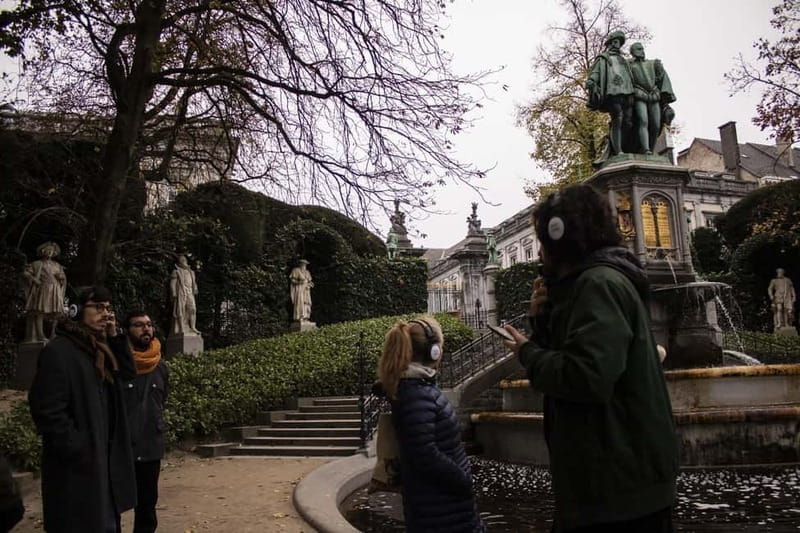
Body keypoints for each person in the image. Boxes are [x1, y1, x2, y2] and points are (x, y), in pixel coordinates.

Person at [503, 184, 679, 533]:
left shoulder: (598, 284)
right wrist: (543, 318)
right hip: (609, 481)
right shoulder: (595, 282)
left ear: (560, 233)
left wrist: (527, 352)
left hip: (617, 486)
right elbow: (580, 353)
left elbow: (587, 376)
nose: (540, 252)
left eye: (542, 239)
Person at [29, 286, 137, 532]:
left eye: (108, 308)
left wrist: (115, 337)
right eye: (97, 308)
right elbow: (47, 410)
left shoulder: (102, 349)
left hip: (105, 468)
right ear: (76, 310)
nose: (106, 314)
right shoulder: (59, 351)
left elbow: (129, 373)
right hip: (78, 472)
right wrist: (79, 447)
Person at [376, 317, 484, 533]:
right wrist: (462, 481)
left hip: (442, 507)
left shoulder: (416, 389)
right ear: (434, 351)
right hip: (441, 509)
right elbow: (424, 453)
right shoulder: (415, 394)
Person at [123, 311, 169, 533]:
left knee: (147, 506)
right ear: (127, 330)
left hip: (150, 445)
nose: (146, 329)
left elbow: (162, 401)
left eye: (149, 325)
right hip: (122, 446)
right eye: (139, 325)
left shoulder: (161, 367)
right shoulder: (117, 363)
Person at [586, 30, 634, 156]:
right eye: (615, 42)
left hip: (628, 92)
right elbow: (596, 72)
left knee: (628, 121)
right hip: (613, 93)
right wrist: (592, 80)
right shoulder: (603, 58)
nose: (617, 45)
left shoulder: (624, 60)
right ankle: (618, 150)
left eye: (619, 42)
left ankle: (625, 146)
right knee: (617, 118)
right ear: (610, 43)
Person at [628, 42, 676, 154]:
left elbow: (660, 78)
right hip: (639, 95)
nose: (642, 51)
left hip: (654, 95)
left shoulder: (652, 63)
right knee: (643, 120)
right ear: (633, 52)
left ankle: (651, 148)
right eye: (639, 49)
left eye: (642, 48)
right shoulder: (629, 65)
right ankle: (646, 149)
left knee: (656, 124)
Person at [22, 241, 67, 342]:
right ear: (43, 251)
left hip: (55, 290)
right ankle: (40, 334)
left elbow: (63, 277)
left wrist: (61, 278)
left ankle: (53, 333)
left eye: (52, 251)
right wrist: (34, 279)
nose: (50, 252)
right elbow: (25, 273)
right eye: (48, 250)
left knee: (56, 313)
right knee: (40, 311)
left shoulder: (57, 265)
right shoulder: (37, 264)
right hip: (43, 289)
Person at [170, 254, 199, 334]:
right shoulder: (176, 271)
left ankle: (193, 327)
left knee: (192, 309)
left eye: (184, 260)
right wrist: (174, 292)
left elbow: (194, 282)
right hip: (181, 292)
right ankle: (181, 328)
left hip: (190, 292)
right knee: (181, 310)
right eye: (181, 260)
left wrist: (195, 288)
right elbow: (172, 283)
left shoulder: (191, 272)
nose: (184, 261)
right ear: (179, 263)